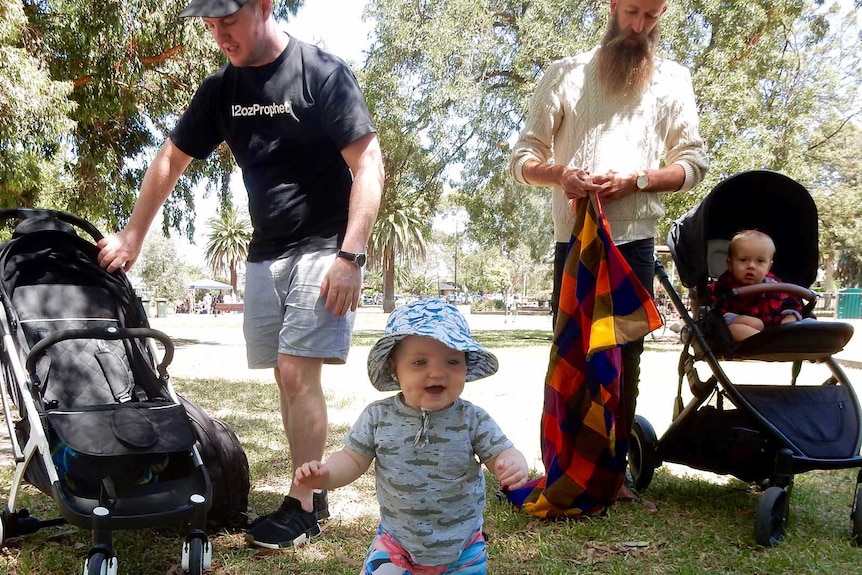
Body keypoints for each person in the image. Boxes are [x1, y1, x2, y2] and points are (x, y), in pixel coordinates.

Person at [96, 0, 384, 549]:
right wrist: (133, 234)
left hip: (324, 246)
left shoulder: (320, 73)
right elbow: (169, 161)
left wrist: (352, 255)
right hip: (264, 253)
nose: (218, 33)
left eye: (227, 18)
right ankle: (313, 486)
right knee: (284, 375)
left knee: (298, 373)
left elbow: (368, 162)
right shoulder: (219, 91)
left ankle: (302, 506)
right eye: (208, 23)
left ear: (263, 6)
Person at [507, 0, 709, 502]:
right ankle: (565, 468)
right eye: (633, 12)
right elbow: (522, 158)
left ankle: (614, 476)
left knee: (626, 356)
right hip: (574, 241)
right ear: (613, 6)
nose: (640, 27)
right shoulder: (564, 75)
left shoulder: (673, 80)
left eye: (653, 17)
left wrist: (637, 179)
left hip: (635, 242)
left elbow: (693, 164)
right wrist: (561, 174)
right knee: (572, 353)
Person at [294, 299, 529, 575]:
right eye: (420, 362)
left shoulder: (472, 418)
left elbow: (501, 452)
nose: (438, 372)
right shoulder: (377, 417)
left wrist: (513, 462)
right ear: (395, 368)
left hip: (462, 547)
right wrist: (326, 476)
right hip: (397, 544)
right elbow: (351, 459)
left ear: (466, 366)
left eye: (452, 361)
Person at [708, 230, 803, 341]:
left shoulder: (775, 287)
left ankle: (780, 341)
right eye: (743, 260)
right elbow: (714, 314)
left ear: (768, 267)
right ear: (730, 264)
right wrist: (737, 319)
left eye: (760, 261)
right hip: (744, 336)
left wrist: (789, 320)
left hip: (776, 331)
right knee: (733, 329)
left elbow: (792, 305)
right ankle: (767, 344)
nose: (751, 266)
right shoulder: (721, 288)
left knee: (803, 323)